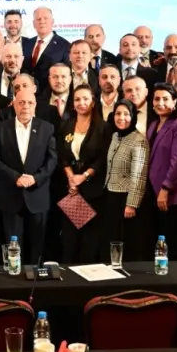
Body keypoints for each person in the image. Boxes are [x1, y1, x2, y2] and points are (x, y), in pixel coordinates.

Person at [0, 88, 58, 262]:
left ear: (35, 105)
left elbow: (52, 160)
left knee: (37, 247)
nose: (25, 106)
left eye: (30, 103)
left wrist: (36, 178)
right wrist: (16, 177)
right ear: (14, 105)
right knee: (13, 248)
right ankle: (14, 276)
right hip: (10, 196)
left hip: (37, 196)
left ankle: (34, 276)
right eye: (21, 103)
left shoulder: (47, 128)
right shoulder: (1, 128)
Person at [55, 85, 108, 264]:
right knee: (69, 240)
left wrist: (84, 176)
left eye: (85, 99)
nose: (81, 103)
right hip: (71, 191)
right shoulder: (67, 125)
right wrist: (71, 179)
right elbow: (61, 155)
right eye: (77, 99)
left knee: (90, 241)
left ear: (93, 102)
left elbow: (103, 158)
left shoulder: (102, 127)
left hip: (93, 190)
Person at [145, 84, 177, 261]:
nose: (160, 103)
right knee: (156, 239)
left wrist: (166, 188)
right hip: (152, 190)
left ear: (174, 102)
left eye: (165, 99)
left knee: (171, 241)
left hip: (170, 193)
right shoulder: (153, 125)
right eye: (157, 99)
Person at [102, 100, 148, 256]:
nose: (121, 118)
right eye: (118, 113)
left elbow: (139, 176)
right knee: (111, 239)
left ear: (133, 116)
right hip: (110, 194)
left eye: (126, 114)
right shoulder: (115, 136)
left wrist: (131, 204)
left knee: (126, 242)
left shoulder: (139, 140)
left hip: (126, 198)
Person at [23, 6, 70, 80]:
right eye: (38, 19)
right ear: (34, 24)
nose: (42, 21)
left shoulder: (64, 45)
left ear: (52, 21)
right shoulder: (27, 43)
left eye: (45, 18)